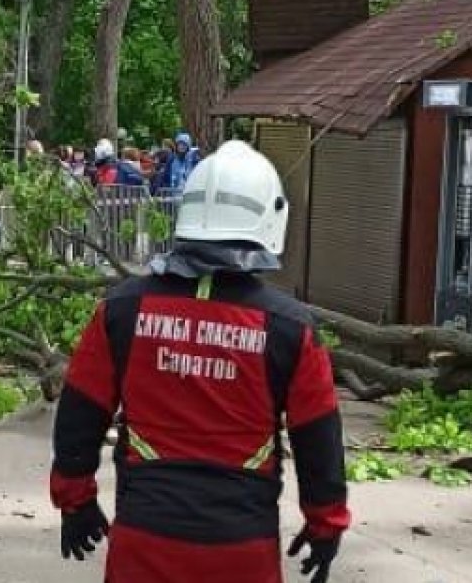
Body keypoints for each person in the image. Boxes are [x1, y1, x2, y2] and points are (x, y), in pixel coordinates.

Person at [50, 140, 349, 583]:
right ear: (270, 220)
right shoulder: (291, 328)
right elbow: (318, 439)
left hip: (145, 542)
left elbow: (80, 413)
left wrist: (75, 500)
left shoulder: (121, 310)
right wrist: (326, 522)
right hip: (241, 550)